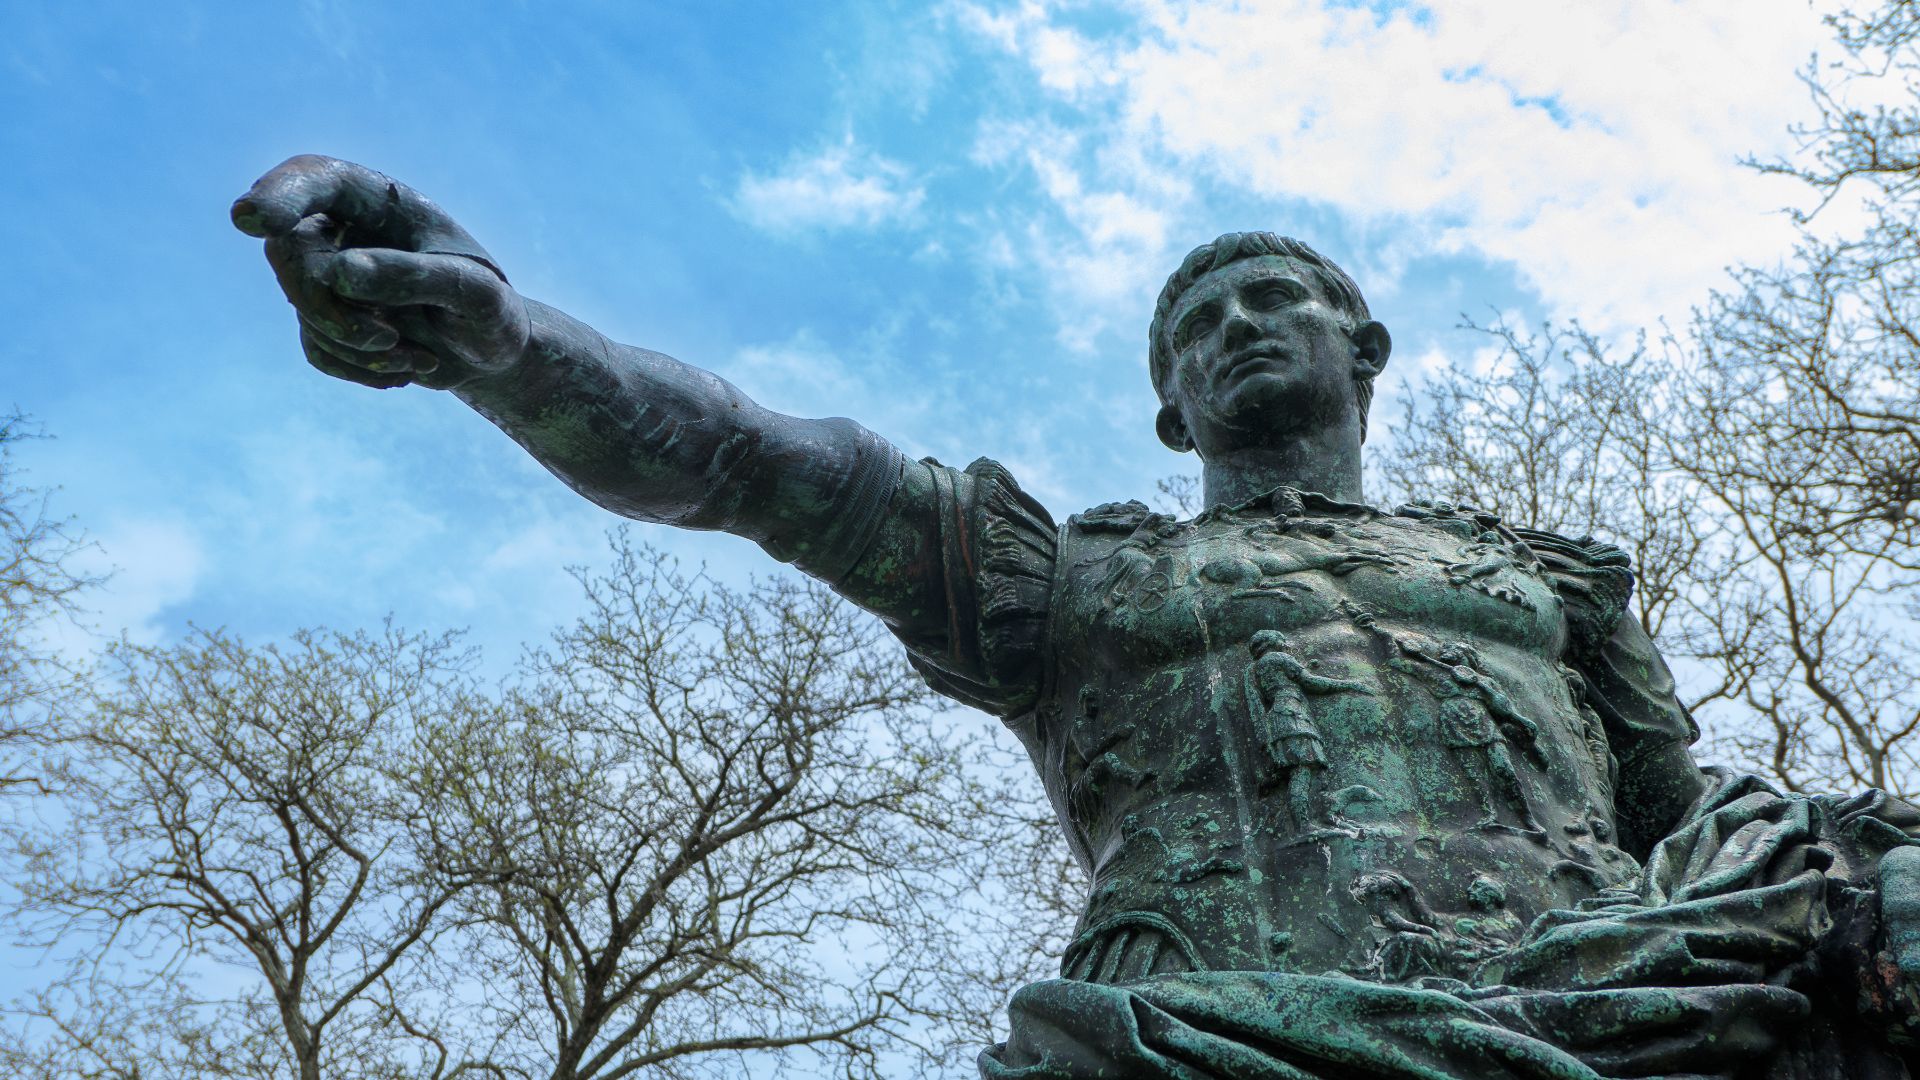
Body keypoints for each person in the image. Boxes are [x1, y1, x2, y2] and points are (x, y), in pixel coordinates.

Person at [234, 155, 1920, 1078]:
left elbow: (1690, 821)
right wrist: (513, 343)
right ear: (1172, 411)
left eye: (1281, 300)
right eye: (1201, 323)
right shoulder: (1071, 580)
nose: (1243, 326)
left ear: (1363, 350)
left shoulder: (1550, 581)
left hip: (1612, 1017)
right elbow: (759, 464)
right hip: (1208, 1038)